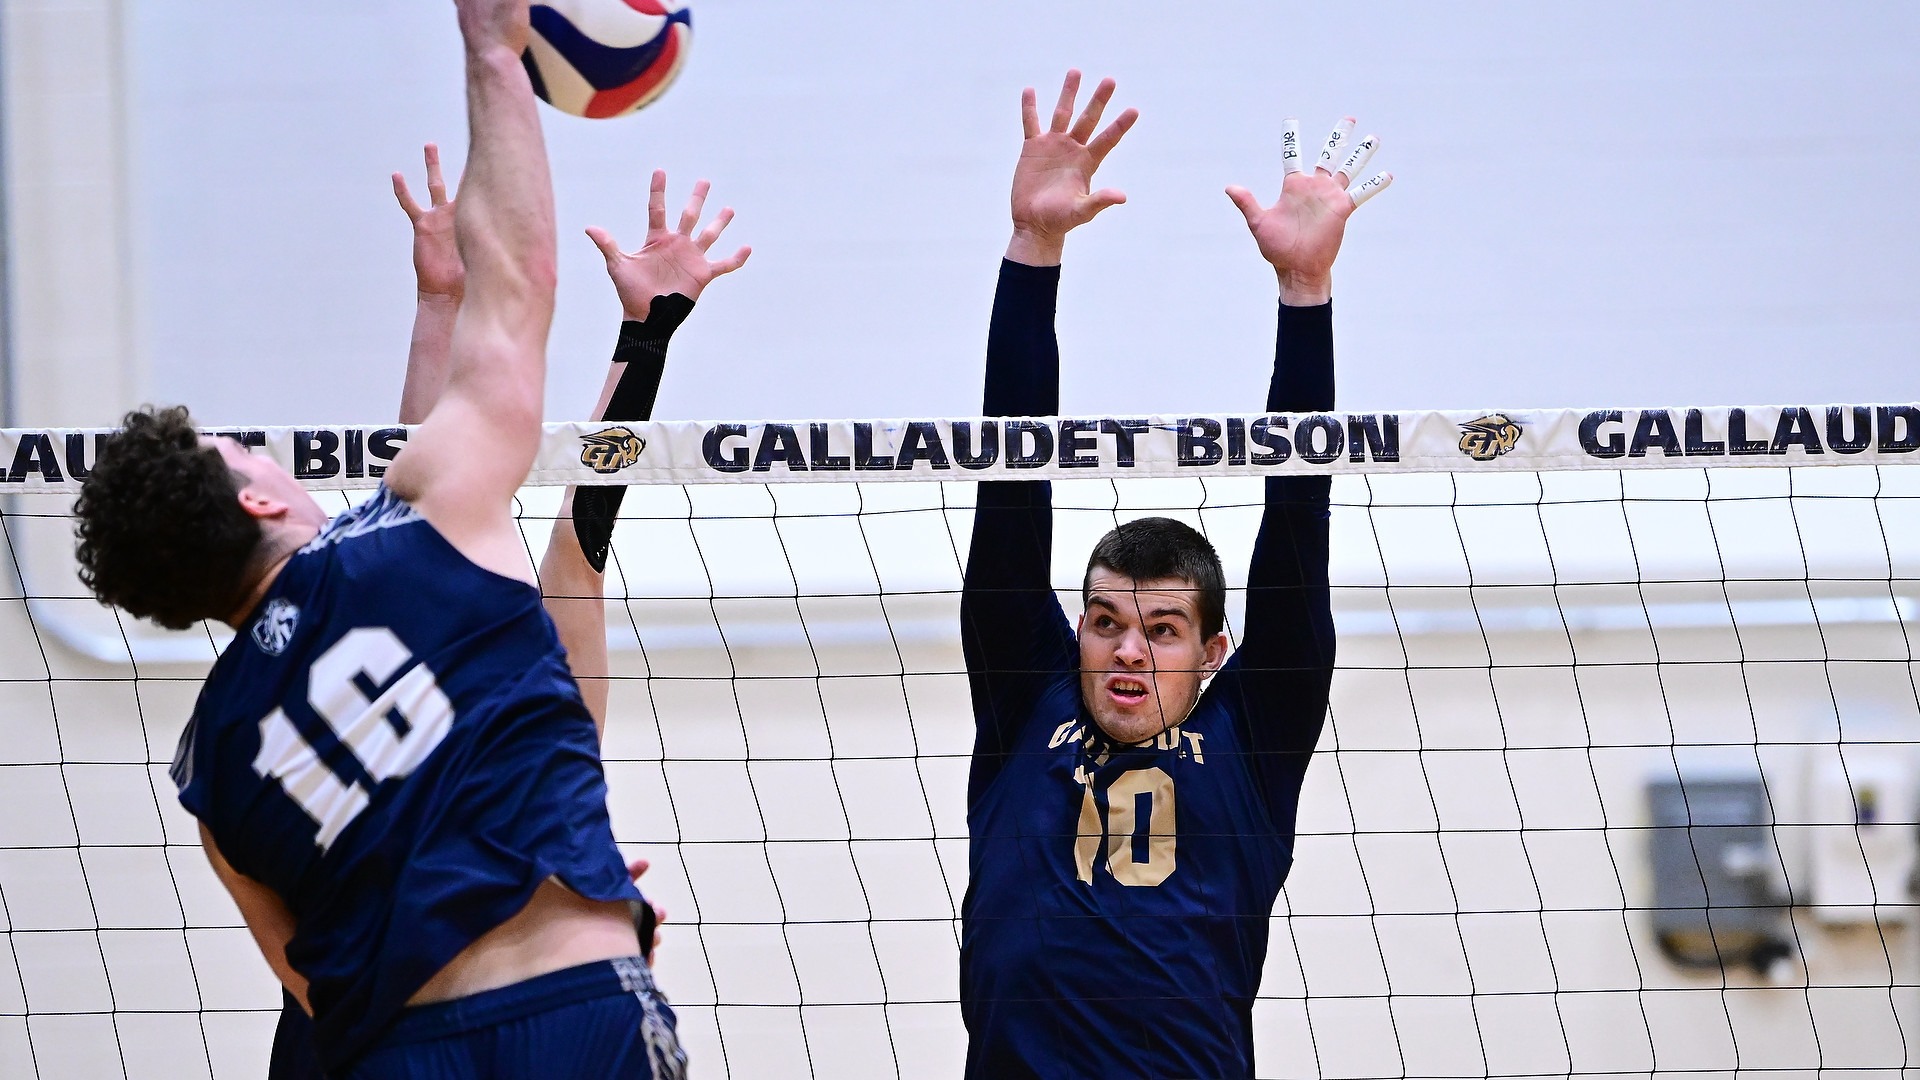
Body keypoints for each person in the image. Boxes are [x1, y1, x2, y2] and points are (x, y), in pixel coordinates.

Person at [70, 3, 695, 1075]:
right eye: (249, 453)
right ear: (260, 501)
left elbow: (311, 985)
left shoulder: (213, 774)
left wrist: (436, 299)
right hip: (571, 1010)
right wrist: (494, 54)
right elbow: (521, 302)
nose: (271, 459)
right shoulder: (421, 546)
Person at [265, 145, 746, 1079]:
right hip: (362, 1014)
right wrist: (442, 303)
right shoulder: (386, 650)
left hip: (520, 1016)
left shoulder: (543, 685)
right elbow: (417, 495)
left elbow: (583, 523)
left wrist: (646, 336)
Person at [958, 70, 1390, 1078]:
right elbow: (1010, 474)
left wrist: (1305, 295)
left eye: (1160, 631)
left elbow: (1297, 517)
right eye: (1105, 621)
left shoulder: (1253, 731)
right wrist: (1035, 250)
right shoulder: (1030, 700)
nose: (1125, 650)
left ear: (1214, 649)